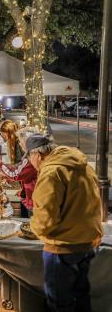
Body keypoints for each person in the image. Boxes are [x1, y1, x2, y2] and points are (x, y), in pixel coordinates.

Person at [26, 134, 103, 312]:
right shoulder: (81, 164)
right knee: (82, 296)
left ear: (37, 155)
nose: (31, 162)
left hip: (62, 248)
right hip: (87, 242)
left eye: (29, 157)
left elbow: (46, 219)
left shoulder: (51, 172)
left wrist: (34, 229)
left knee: (59, 303)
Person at [0, 127, 39, 217]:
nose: (20, 144)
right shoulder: (33, 154)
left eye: (21, 141)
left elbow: (15, 174)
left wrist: (0, 164)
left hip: (35, 201)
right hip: (31, 197)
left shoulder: (32, 157)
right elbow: (21, 170)